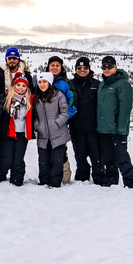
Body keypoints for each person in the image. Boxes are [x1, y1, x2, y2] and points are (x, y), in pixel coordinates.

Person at [96, 56, 133, 188]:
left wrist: (121, 129)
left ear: (115, 67)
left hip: (116, 130)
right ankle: (111, 182)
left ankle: (130, 184)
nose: (106, 69)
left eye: (109, 66)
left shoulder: (122, 84)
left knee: (122, 158)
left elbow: (125, 108)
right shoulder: (102, 84)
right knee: (108, 159)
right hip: (103, 129)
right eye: (104, 67)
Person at [0, 72, 34, 186]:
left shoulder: (30, 100)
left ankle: (17, 180)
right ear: (13, 86)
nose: (20, 88)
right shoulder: (5, 98)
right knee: (6, 158)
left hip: (22, 134)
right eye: (18, 85)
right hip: (7, 133)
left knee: (18, 159)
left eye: (23, 85)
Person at [69, 56, 104, 184]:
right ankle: (82, 179)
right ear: (75, 69)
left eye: (85, 68)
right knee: (80, 155)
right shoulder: (70, 84)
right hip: (76, 127)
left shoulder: (97, 84)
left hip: (93, 127)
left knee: (96, 155)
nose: (82, 70)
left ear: (89, 69)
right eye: (79, 68)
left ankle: (99, 178)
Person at [33, 72, 70, 188]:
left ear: (49, 82)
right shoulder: (36, 97)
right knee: (43, 161)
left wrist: (56, 123)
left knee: (56, 160)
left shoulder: (58, 95)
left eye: (44, 82)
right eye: (40, 82)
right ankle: (44, 182)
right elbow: (34, 116)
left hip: (58, 134)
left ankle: (55, 183)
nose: (42, 84)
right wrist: (37, 125)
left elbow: (65, 112)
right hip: (43, 135)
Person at [47, 55, 77, 184]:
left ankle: (64, 178)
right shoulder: (43, 81)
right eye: (52, 65)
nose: (54, 67)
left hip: (60, 125)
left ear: (61, 67)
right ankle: (48, 176)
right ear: (48, 67)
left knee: (61, 152)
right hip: (45, 126)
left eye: (57, 65)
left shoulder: (65, 83)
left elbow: (72, 103)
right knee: (46, 152)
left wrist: (62, 119)